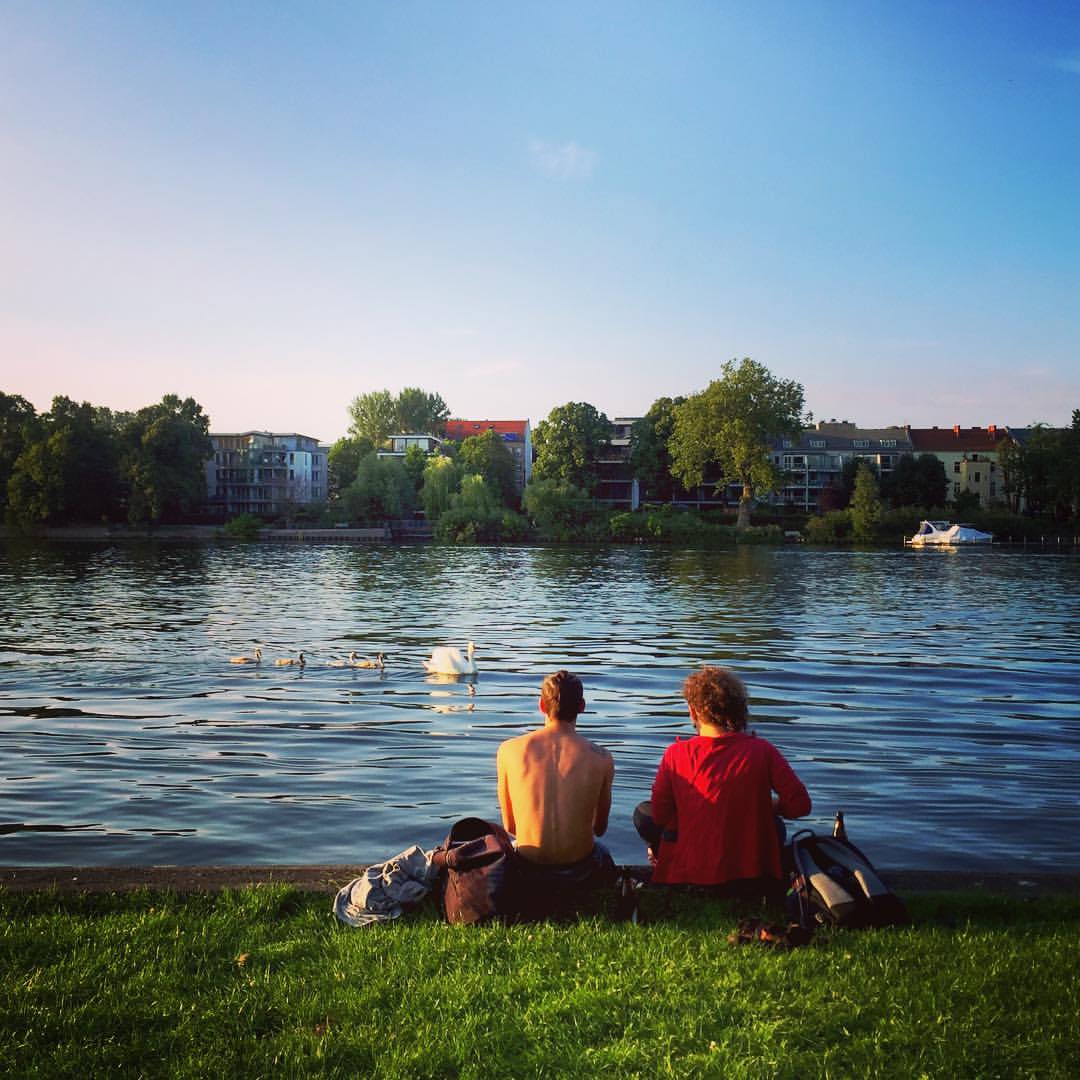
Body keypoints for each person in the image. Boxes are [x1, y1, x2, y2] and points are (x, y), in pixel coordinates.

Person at [635, 665, 810, 896]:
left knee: (643, 814)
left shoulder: (676, 754)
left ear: (693, 711)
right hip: (751, 874)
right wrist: (770, 807)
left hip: (692, 869)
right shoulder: (762, 751)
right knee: (773, 823)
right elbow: (800, 805)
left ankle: (661, 860)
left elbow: (660, 814)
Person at [496, 670, 616, 915]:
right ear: (582, 707)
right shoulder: (602, 758)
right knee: (603, 852)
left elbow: (510, 825)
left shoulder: (508, 750)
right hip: (579, 872)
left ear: (541, 705)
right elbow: (599, 829)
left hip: (527, 870)